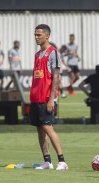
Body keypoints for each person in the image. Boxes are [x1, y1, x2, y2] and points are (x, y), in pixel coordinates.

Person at [30, 24, 68, 170]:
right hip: (36, 99)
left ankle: (62, 161)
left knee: (48, 128)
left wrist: (51, 98)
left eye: (39, 35)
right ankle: (47, 161)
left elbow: (56, 77)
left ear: (47, 36)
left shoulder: (53, 53)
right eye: (35, 35)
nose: (36, 37)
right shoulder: (37, 55)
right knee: (40, 130)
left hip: (46, 98)